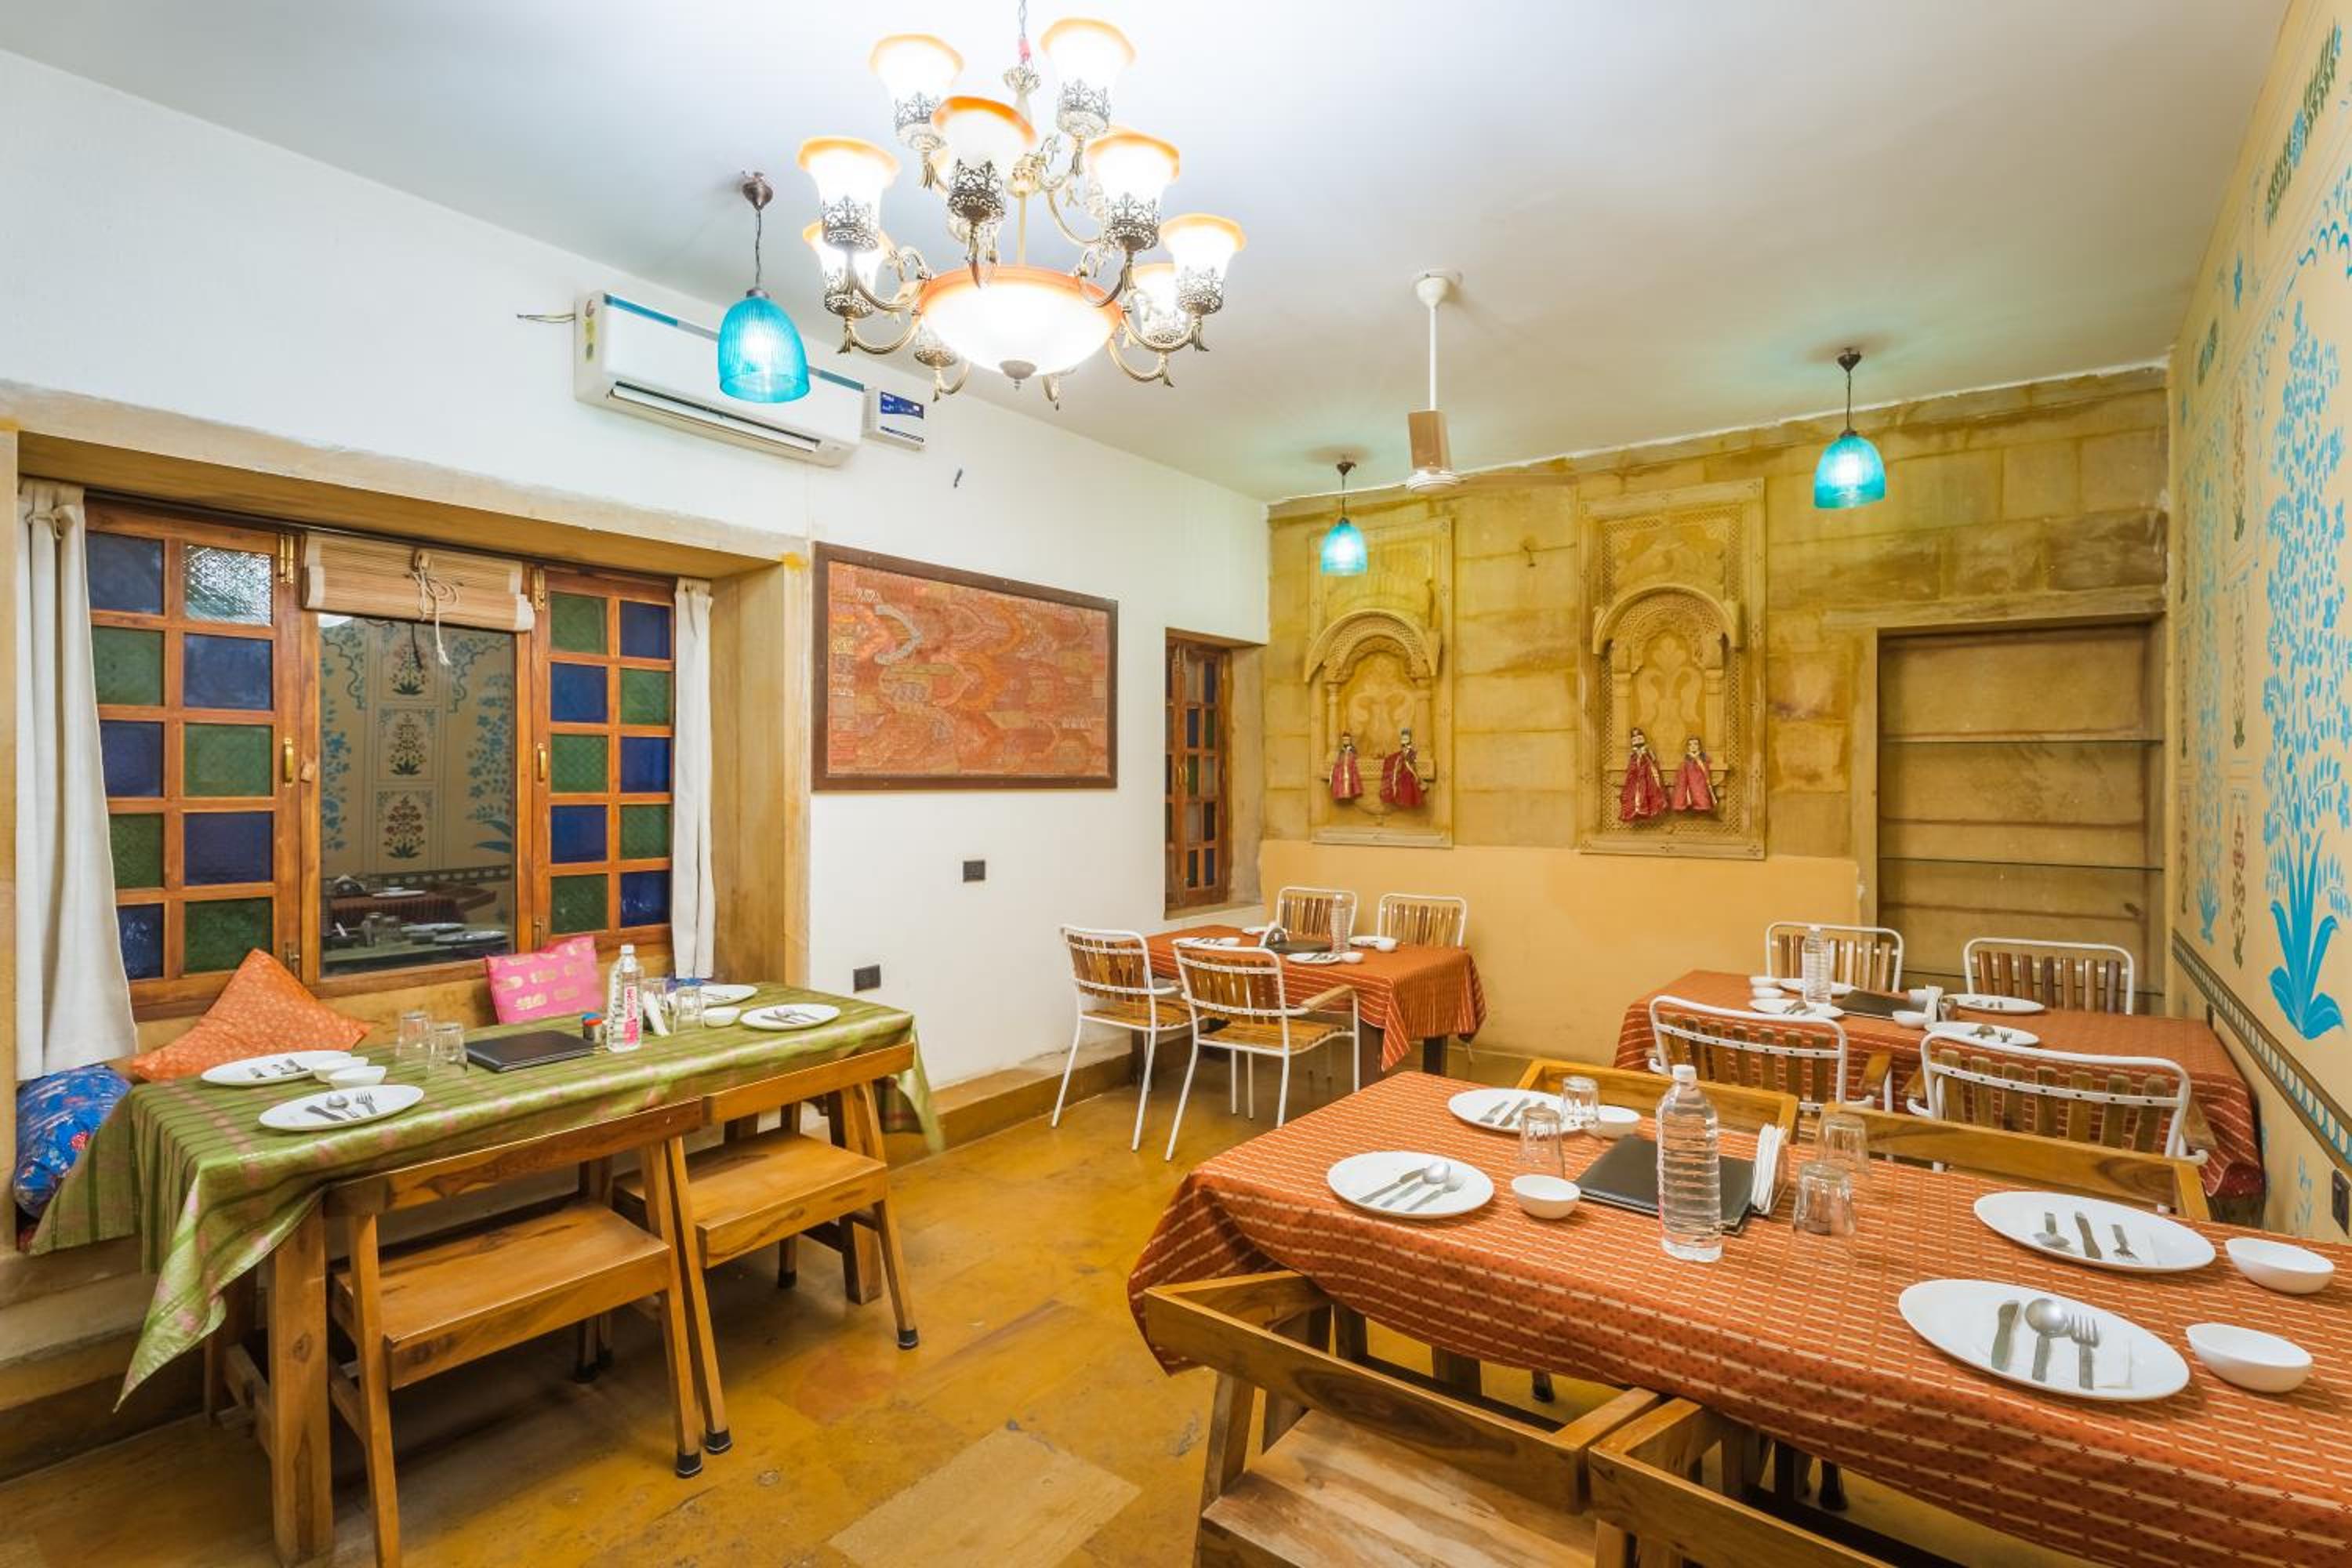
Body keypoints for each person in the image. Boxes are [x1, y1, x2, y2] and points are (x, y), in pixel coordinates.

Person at [1618, 727, 1667, 821]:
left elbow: (1653, 759)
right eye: (1635, 739)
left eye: (1639, 738)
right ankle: (1638, 809)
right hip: (1636, 775)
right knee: (1636, 792)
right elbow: (1631, 764)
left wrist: (1646, 753)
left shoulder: (1647, 749)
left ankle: (1649, 809)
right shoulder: (1633, 751)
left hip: (1647, 774)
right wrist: (1635, 756)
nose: (1637, 740)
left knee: (1650, 791)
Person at [1380, 726, 1427, 808]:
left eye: (1406, 738)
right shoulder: (1404, 750)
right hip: (1402, 765)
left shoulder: (1410, 751)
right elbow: (1403, 759)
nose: (1404, 740)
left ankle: (1402, 797)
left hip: (1406, 768)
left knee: (1404, 779)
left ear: (1409, 739)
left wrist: (1415, 774)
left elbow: (1409, 764)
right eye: (1403, 738)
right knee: (1391, 763)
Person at [1671, 734, 1717, 813]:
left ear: (1699, 746)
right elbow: (1682, 776)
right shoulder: (1686, 760)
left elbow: (1707, 764)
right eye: (1690, 745)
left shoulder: (1704, 757)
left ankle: (1702, 805)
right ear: (1688, 747)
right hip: (1690, 783)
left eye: (1695, 744)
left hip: (1701, 782)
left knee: (1701, 794)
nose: (1693, 746)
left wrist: (1700, 763)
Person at [1329, 731, 1363, 801]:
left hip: (1350, 768)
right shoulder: (1341, 750)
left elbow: (1355, 757)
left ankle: (1350, 793)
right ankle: (1342, 794)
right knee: (1339, 776)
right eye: (1344, 740)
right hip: (1342, 769)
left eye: (1347, 740)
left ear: (1350, 740)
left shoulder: (1352, 749)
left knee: (1350, 780)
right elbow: (1339, 759)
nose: (1346, 741)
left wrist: (1350, 757)